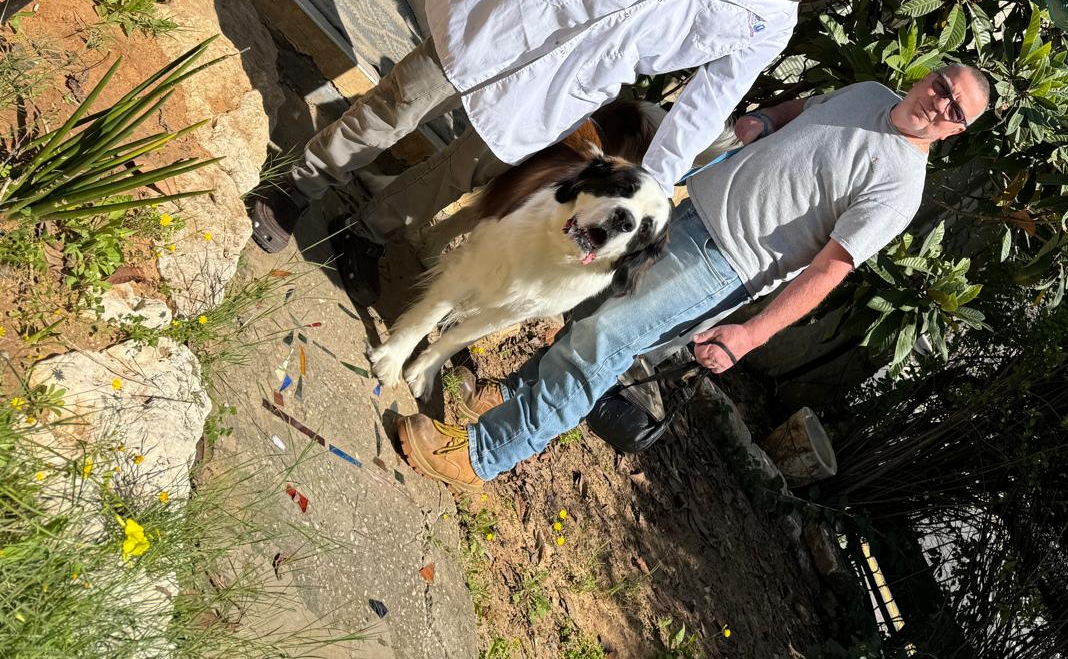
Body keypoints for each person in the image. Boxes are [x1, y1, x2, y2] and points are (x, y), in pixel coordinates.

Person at [247, 0, 872, 302]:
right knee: (404, 101)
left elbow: (710, 101)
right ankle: (298, 187)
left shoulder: (771, 24)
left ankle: (368, 229)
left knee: (473, 164)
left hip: (583, 73)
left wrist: (656, 182)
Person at [394, 63, 992, 489]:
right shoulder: (868, 93)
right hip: (682, 214)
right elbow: (803, 110)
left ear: (956, 130)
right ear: (929, 75)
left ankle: (482, 456)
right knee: (586, 316)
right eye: (943, 86)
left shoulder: (900, 188)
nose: (940, 103)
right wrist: (763, 121)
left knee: (602, 343)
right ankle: (507, 397)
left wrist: (751, 335)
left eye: (955, 109)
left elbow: (830, 268)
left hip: (721, 264)